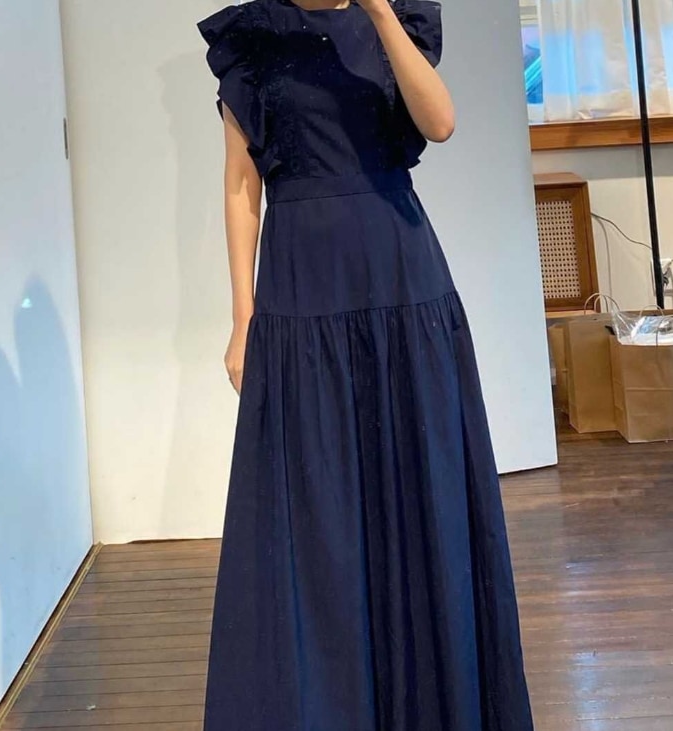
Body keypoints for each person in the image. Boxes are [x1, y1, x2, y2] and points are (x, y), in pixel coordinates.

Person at [195, 0, 535, 728]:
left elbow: (439, 123)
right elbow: (240, 184)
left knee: (420, 492)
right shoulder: (252, 36)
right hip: (300, 291)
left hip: (400, 282)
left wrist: (380, 13)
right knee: (315, 511)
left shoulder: (396, 19)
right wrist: (242, 317)